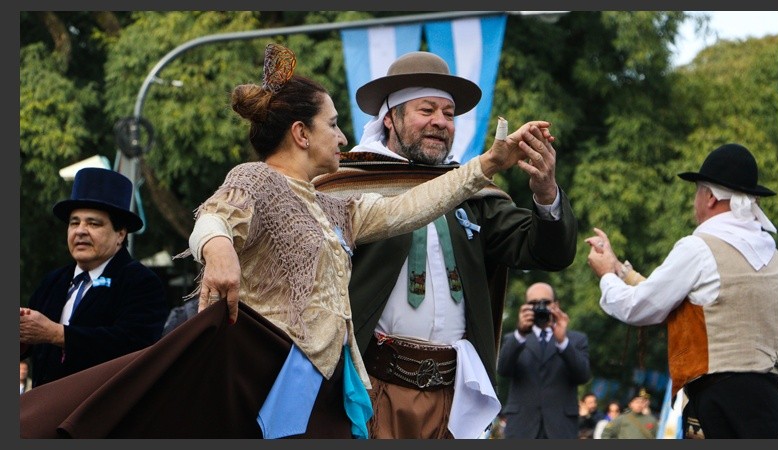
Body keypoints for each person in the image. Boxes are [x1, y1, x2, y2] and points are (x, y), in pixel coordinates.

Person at [19, 43, 551, 439]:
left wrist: (487, 164)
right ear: (302, 133)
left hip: (329, 379)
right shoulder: (256, 179)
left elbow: (412, 206)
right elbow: (212, 218)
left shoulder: (333, 205)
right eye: (334, 124)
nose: (343, 137)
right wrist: (219, 250)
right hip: (273, 371)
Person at [312, 51, 578, 439]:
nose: (440, 122)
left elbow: (546, 252)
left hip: (454, 399)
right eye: (426, 110)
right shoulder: (347, 188)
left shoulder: (473, 194)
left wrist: (545, 191)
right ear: (390, 118)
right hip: (370, 389)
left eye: (449, 114)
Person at [585, 143, 778, 439]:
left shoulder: (699, 247)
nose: (695, 201)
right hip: (771, 401)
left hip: (717, 401)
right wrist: (620, 270)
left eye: (697, 191)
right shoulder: (776, 257)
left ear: (710, 197)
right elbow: (689, 304)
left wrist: (605, 276)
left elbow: (638, 307)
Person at [19, 167, 168, 388]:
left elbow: (133, 345)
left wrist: (56, 334)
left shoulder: (141, 282)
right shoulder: (53, 282)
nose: (80, 231)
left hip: (103, 415)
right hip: (46, 413)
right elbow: (34, 346)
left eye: (93, 223)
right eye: (74, 222)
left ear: (120, 234)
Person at [496, 282, 591, 439]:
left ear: (556, 305)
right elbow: (503, 369)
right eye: (533, 303)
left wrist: (563, 342)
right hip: (522, 427)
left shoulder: (575, 340)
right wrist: (520, 333)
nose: (540, 307)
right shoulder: (514, 339)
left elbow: (583, 375)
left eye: (545, 303)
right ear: (525, 307)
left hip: (560, 428)